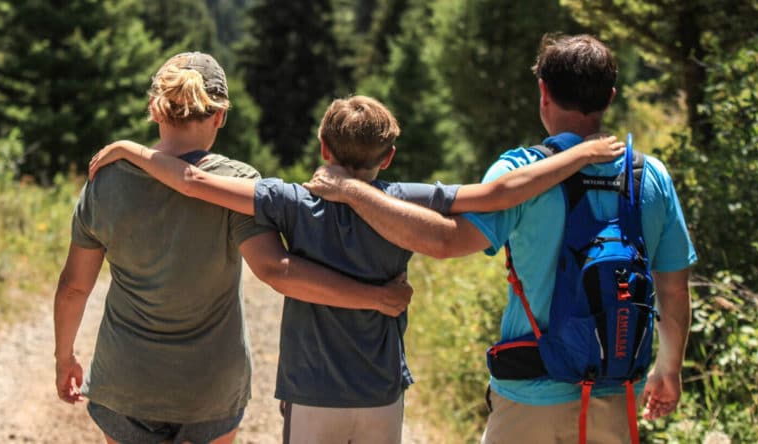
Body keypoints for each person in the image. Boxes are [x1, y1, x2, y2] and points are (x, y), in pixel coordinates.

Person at [88, 95, 625, 444]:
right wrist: (578, 156)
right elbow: (498, 192)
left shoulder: (291, 200)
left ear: (323, 147)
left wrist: (131, 149)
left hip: (310, 386)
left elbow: (196, 183)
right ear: (387, 158)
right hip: (380, 387)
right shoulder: (409, 199)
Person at [304, 35, 697, 444]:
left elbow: (445, 242)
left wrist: (352, 190)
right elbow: (672, 287)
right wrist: (669, 369)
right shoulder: (650, 176)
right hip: (618, 392)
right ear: (610, 97)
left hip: (531, 395)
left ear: (543, 92)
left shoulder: (522, 171)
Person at [53, 54, 413, 444]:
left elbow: (74, 287)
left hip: (126, 381)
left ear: (156, 110)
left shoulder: (107, 179)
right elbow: (277, 271)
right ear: (220, 116)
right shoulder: (235, 183)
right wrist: (375, 298)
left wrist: (64, 358)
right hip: (210, 386)